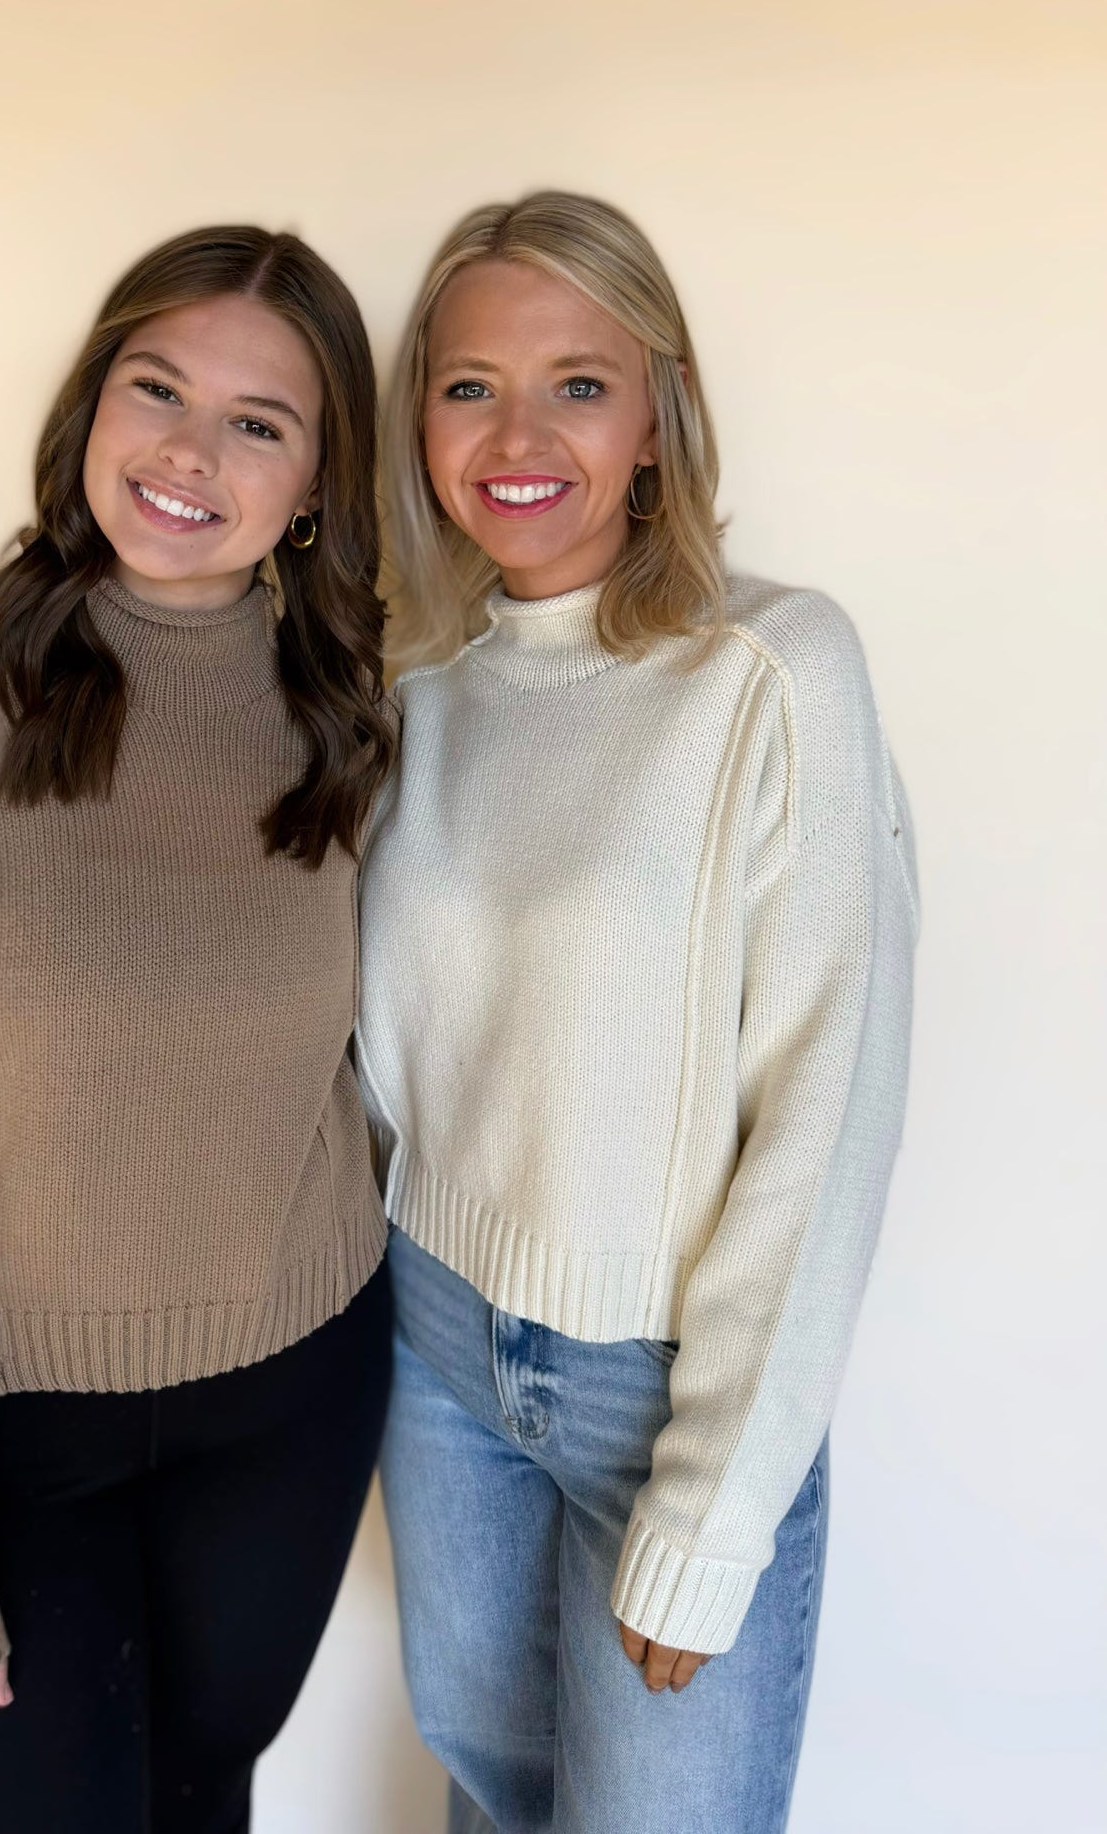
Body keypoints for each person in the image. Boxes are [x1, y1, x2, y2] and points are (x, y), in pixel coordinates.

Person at [0, 223, 397, 1832]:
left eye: (260, 421)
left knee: (202, 1808)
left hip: (290, 1411)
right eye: (156, 387)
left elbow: (366, 1050)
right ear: (88, 409)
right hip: (4, 1454)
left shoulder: (352, 716)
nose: (189, 452)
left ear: (318, 483)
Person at [357, 190, 917, 1833]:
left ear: (661, 416)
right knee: (490, 1796)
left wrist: (719, 1500)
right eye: (468, 386)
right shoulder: (421, 679)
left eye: (577, 384)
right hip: (436, 1345)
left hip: (660, 1387)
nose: (517, 434)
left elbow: (831, 1102)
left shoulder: (772, 670)